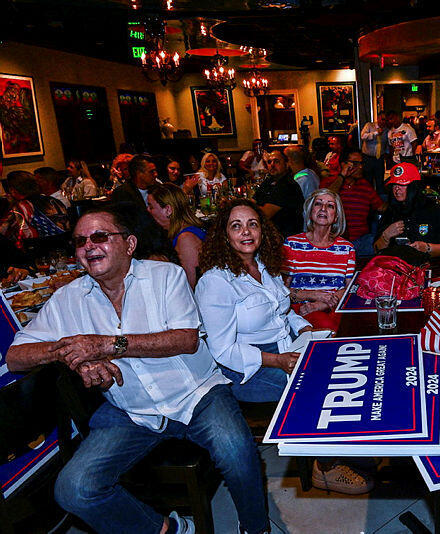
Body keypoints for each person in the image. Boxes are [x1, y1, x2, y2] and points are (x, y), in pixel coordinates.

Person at [7, 206, 270, 534]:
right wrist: (72, 354)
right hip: (132, 411)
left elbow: (186, 339)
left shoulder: (165, 277)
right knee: (73, 489)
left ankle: (256, 528)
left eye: (100, 236)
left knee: (237, 452)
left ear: (129, 244)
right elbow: (16, 356)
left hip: (196, 395)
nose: (89, 246)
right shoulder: (66, 299)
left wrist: (105, 345)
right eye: (80, 241)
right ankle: (166, 529)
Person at [195, 199, 312, 406]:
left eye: (253, 224)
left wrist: (305, 329)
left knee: (332, 366)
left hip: (288, 347)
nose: (246, 231)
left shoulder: (265, 265)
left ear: (262, 231)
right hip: (250, 368)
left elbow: (282, 311)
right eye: (236, 226)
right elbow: (223, 351)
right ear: (225, 236)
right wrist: (277, 360)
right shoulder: (215, 282)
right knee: (313, 386)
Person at [282, 189, 355, 331]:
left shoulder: (347, 248)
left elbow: (350, 290)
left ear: (336, 217)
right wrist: (313, 295)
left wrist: (322, 304)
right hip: (302, 309)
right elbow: (280, 290)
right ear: (310, 211)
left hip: (335, 307)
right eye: (318, 204)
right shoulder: (292, 244)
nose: (323, 209)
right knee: (326, 328)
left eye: (330, 206)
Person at [374, 163, 440, 258]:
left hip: (427, 266)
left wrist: (427, 248)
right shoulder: (390, 211)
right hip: (396, 267)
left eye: (402, 185)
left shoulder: (433, 210)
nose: (397, 189)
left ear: (414, 187)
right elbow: (377, 250)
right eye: (394, 185)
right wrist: (386, 236)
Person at [146, 183, 206, 288]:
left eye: (151, 206)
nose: (148, 210)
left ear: (168, 210)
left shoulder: (186, 239)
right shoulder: (177, 233)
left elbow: (192, 286)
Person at [337, 149, 386, 257]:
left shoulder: (365, 185)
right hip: (336, 242)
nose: (360, 167)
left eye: (361, 163)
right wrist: (342, 176)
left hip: (362, 241)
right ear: (343, 164)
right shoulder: (332, 182)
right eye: (355, 164)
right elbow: (327, 196)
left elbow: (382, 207)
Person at [253, 150, 304, 238]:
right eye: (269, 162)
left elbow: (264, 214)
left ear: (286, 164)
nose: (272, 165)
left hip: (285, 238)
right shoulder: (268, 181)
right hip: (268, 233)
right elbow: (252, 201)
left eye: (276, 161)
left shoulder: (288, 185)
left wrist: (252, 207)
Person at [360, 111, 387, 194]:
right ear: (378, 118)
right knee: (368, 180)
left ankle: (380, 200)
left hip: (380, 158)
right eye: (382, 119)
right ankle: (368, 200)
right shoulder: (369, 125)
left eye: (385, 120)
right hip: (368, 157)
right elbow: (363, 136)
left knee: (380, 181)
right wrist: (375, 133)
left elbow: (386, 142)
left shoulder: (386, 129)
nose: (384, 122)